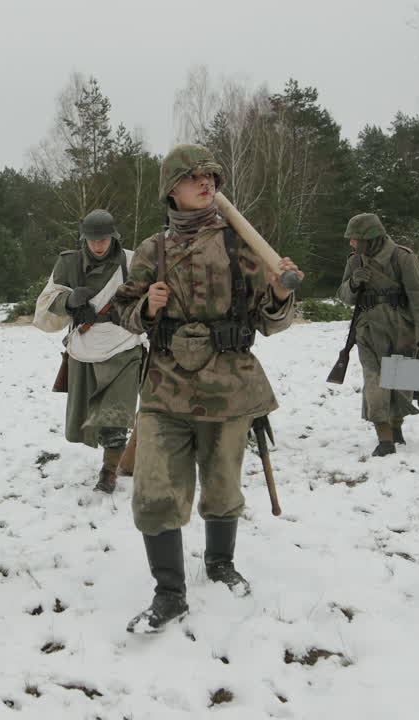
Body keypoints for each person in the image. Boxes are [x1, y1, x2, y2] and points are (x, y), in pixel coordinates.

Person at [110, 144, 300, 633]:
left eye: (212, 176)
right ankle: (169, 592)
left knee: (221, 484)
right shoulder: (152, 249)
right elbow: (123, 315)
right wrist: (147, 309)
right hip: (164, 387)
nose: (207, 183)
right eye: (195, 177)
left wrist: (280, 294)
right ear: (170, 188)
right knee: (153, 490)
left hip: (229, 386)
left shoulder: (241, 244)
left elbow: (271, 321)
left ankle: (220, 562)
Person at [33, 209, 145, 493]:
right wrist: (69, 301)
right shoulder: (68, 263)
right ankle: (112, 463)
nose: (98, 245)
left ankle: (109, 471)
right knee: (90, 415)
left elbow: (149, 299)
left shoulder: (132, 261)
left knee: (116, 414)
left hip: (123, 343)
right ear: (85, 238)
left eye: (104, 239)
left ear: (113, 236)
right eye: (93, 239)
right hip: (85, 346)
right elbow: (46, 302)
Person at [336, 213, 419, 457]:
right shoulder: (355, 262)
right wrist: (353, 283)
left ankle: (396, 427)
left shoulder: (402, 257)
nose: (352, 243)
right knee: (374, 381)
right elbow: (344, 296)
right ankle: (385, 439)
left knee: (400, 382)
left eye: (356, 239)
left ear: (371, 238)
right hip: (368, 331)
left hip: (401, 329)